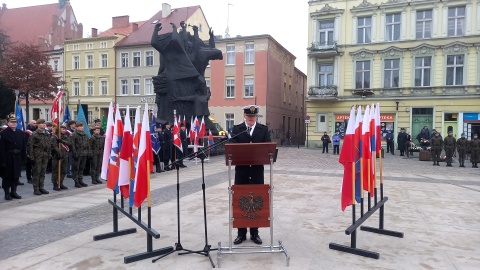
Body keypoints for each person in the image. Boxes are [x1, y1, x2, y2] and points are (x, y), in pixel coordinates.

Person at [230, 105, 271, 245]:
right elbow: (232, 149)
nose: (251, 119)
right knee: (240, 199)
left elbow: (268, 148)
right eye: (249, 117)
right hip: (241, 172)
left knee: (257, 201)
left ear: (256, 117)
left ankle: (255, 233)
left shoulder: (263, 130)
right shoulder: (237, 130)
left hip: (257, 172)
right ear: (245, 116)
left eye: (253, 117)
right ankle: (241, 234)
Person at [0, 114, 26, 200]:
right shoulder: (3, 133)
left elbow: (23, 146)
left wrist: (24, 158)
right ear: (8, 123)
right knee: (7, 176)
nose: (14, 123)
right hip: (8, 157)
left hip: (17, 157)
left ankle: (14, 192)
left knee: (16, 176)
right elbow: (2, 148)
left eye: (15, 122)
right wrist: (2, 161)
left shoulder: (20, 133)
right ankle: (7, 193)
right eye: (12, 122)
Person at [28, 119, 51, 195]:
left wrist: (49, 154)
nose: (44, 124)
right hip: (37, 155)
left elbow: (48, 145)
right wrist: (31, 157)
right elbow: (30, 146)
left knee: (42, 172)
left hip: (45, 155)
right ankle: (36, 188)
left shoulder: (46, 134)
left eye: (44, 123)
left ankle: (41, 187)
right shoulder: (34, 134)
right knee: (36, 173)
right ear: (38, 124)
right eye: (42, 123)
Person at [51, 124, 71, 190]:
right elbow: (54, 146)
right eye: (62, 129)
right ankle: (55, 184)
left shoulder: (65, 136)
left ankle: (61, 183)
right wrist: (58, 153)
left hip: (64, 156)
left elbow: (69, 143)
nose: (64, 130)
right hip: (57, 156)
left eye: (65, 129)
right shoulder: (54, 137)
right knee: (56, 171)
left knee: (63, 170)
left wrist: (61, 141)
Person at [71, 122, 90, 188]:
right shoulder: (74, 134)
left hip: (84, 154)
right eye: (80, 126)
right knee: (76, 168)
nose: (82, 127)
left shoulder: (85, 134)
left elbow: (87, 144)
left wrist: (88, 152)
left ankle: (80, 180)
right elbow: (72, 145)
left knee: (81, 168)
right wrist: (74, 154)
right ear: (76, 127)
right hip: (77, 154)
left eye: (82, 126)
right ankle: (76, 181)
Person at [25, 120, 37, 184]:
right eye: (33, 123)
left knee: (35, 165)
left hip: (36, 151)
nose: (35, 124)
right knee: (28, 166)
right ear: (30, 124)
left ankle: (34, 177)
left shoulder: (37, 130)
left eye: (35, 123)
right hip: (29, 150)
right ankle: (29, 178)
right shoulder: (27, 132)